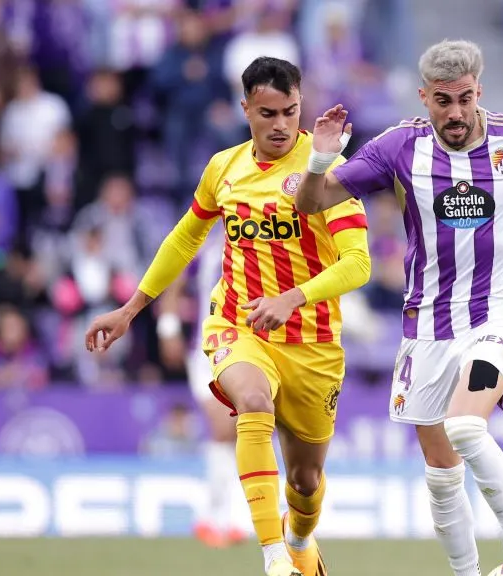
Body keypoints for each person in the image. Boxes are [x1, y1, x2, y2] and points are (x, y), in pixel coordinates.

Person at [294, 39, 503, 576]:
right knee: (440, 470)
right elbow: (312, 202)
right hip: (429, 321)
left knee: (465, 429)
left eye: (463, 99)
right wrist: (318, 157)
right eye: (442, 101)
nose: (454, 113)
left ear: (479, 91)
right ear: (423, 97)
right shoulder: (398, 146)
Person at [84, 56, 371, 576]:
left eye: (290, 111)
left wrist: (293, 298)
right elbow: (186, 237)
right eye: (268, 113)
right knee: (252, 401)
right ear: (246, 109)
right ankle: (273, 557)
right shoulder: (223, 168)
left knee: (305, 483)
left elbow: (358, 263)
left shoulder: (327, 170)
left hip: (312, 342)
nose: (281, 124)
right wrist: (132, 308)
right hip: (238, 324)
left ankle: (298, 537)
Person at [184, 228, 249, 548]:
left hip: (247, 349)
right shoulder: (206, 248)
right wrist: (167, 327)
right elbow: (175, 283)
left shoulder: (263, 245)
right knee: (224, 429)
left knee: (243, 431)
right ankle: (211, 516)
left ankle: (228, 517)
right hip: (207, 349)